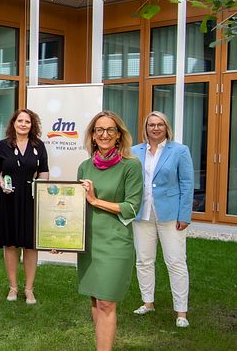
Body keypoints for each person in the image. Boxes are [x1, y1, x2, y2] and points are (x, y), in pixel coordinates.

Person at [77, 111, 143, 351]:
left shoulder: (131, 166)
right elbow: (76, 209)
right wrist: (62, 239)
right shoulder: (84, 167)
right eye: (99, 130)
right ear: (93, 136)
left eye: (110, 130)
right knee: (95, 300)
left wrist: (96, 201)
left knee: (106, 302)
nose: (104, 135)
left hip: (115, 243)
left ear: (118, 135)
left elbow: (132, 207)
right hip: (89, 242)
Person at [131, 111, 194, 328]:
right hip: (143, 214)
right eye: (151, 125)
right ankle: (147, 303)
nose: (155, 128)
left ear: (166, 127)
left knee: (175, 261)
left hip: (170, 216)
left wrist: (184, 214)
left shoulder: (180, 151)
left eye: (160, 124)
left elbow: (187, 184)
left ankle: (181, 312)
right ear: (145, 128)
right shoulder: (134, 151)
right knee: (144, 260)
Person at [0, 109, 48, 304]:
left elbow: (44, 173)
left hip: (30, 200)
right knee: (11, 243)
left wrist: (41, 185)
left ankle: (29, 289)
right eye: (20, 121)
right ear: (13, 123)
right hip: (8, 199)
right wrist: (1, 182)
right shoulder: (3, 145)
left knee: (30, 245)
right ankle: (13, 287)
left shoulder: (38, 146)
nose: (23, 124)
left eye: (28, 122)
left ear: (32, 125)